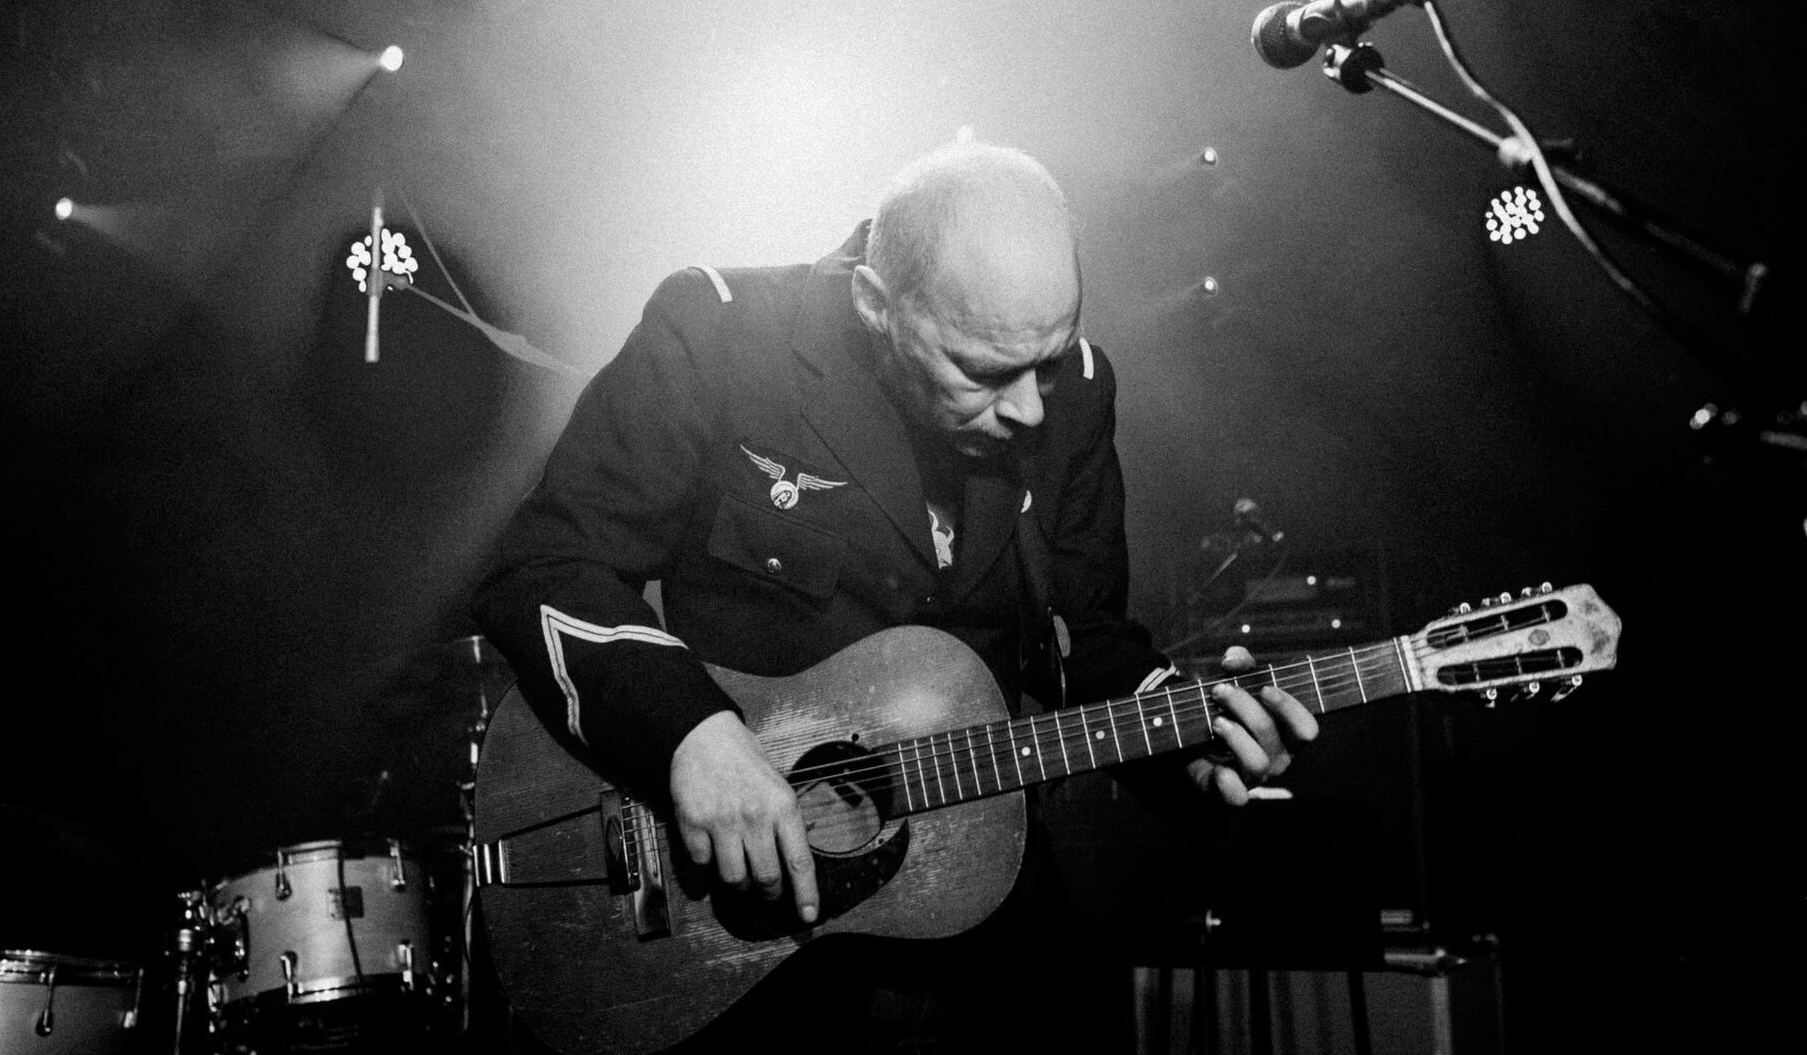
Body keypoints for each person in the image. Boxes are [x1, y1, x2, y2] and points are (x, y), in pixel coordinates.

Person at [472, 141, 1318, 1050]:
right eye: (984, 372)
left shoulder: (1073, 392)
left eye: (1051, 356)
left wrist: (1181, 749)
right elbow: (548, 569)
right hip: (758, 946)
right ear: (878, 308)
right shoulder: (718, 333)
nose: (1031, 407)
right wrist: (690, 737)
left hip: (989, 920)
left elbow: (1087, 637)